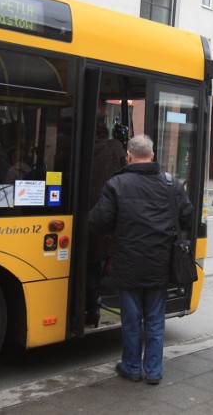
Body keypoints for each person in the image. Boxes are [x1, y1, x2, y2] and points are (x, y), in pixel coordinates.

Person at [88, 134, 193, 385]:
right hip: (159, 265)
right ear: (153, 156)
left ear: (129, 156)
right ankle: (154, 371)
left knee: (131, 321)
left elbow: (97, 222)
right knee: (156, 320)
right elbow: (187, 216)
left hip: (128, 264)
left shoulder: (117, 184)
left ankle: (132, 367)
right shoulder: (171, 184)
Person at [85, 117, 127, 327]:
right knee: (97, 264)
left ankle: (88, 305)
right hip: (107, 214)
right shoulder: (115, 148)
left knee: (87, 263)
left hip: (83, 215)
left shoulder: (77, 145)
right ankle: (94, 307)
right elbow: (125, 173)